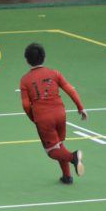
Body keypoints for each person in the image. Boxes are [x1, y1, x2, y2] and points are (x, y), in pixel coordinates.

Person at [20, 43, 87, 184]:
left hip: (44, 117)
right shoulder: (55, 73)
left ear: (27, 61)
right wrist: (80, 107)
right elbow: (70, 90)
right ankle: (67, 176)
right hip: (60, 114)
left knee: (52, 151)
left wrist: (34, 118)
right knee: (59, 144)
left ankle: (73, 157)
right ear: (44, 58)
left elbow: (26, 105)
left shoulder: (25, 80)